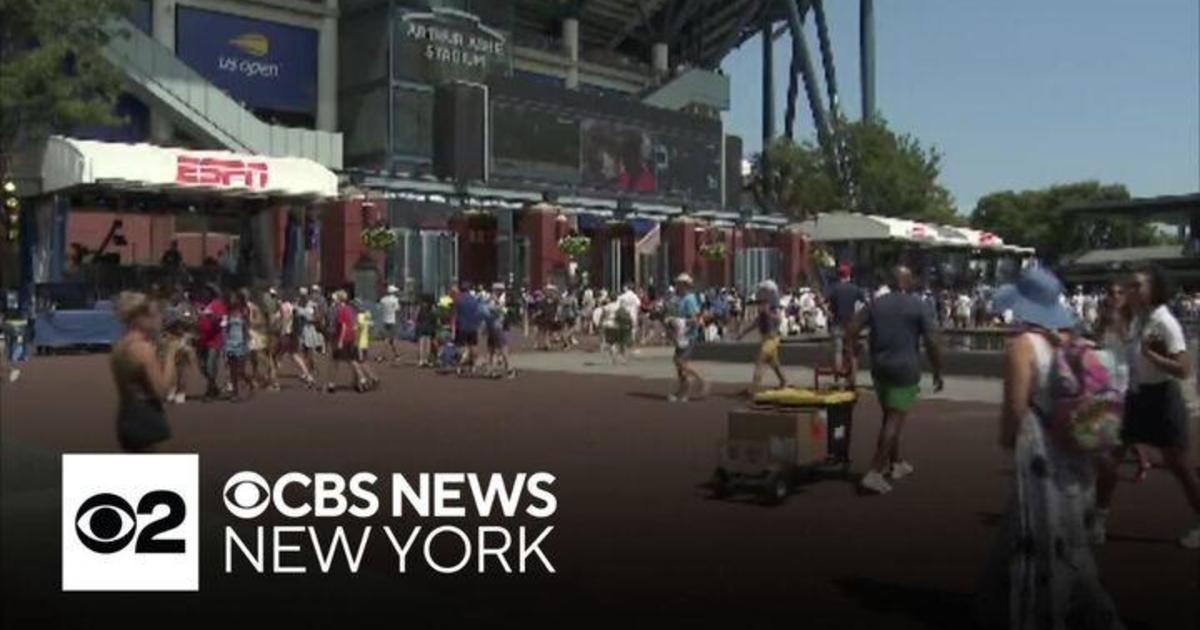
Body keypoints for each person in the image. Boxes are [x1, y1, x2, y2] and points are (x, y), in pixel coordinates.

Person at [976, 267, 1124, 630]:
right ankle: (995, 601)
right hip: (1075, 443)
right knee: (1063, 527)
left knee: (1044, 530)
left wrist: (1007, 439)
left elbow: (1016, 406)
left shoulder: (1024, 345)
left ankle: (1075, 612)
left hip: (1041, 444)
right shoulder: (1069, 338)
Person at [1094, 267, 1200, 549]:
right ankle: (1097, 519)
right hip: (1136, 395)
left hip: (1163, 398)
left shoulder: (1166, 323)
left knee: (1179, 465)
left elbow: (1184, 369)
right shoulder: (1141, 319)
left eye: (1137, 286)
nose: (1130, 290)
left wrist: (1152, 355)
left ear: (1154, 290)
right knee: (1111, 455)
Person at [846, 266, 944, 495]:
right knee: (894, 419)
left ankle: (896, 462)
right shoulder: (918, 306)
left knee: (890, 414)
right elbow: (932, 341)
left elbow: (851, 328)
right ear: (908, 282)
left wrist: (852, 350)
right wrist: (938, 370)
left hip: (879, 368)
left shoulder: (875, 304)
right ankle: (875, 471)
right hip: (905, 368)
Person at [111, 292, 182, 452]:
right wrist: (172, 355)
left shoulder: (119, 346)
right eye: (154, 315)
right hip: (146, 417)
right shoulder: (143, 349)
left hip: (126, 415)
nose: (158, 320)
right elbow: (162, 391)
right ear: (140, 318)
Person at [738, 280, 787, 394]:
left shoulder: (774, 307)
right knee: (774, 364)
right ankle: (784, 381)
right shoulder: (762, 308)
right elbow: (755, 323)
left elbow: (779, 320)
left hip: (772, 339)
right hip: (765, 338)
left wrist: (768, 312)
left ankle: (755, 386)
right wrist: (742, 333)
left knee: (760, 360)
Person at [668, 274, 708, 402]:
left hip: (688, 335)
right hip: (682, 335)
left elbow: (695, 318)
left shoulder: (689, 299)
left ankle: (701, 380)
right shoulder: (680, 299)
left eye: (679, 284)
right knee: (679, 363)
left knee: (680, 362)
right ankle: (683, 392)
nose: (677, 286)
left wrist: (681, 322)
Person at [825, 263, 864, 374]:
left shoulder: (834, 288)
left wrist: (827, 313)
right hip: (851, 323)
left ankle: (838, 376)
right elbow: (866, 303)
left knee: (837, 351)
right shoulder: (855, 288)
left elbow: (822, 301)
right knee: (851, 351)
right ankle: (853, 377)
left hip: (836, 322)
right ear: (849, 275)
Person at [195, 286, 226, 400]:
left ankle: (209, 391)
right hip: (201, 340)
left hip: (214, 340)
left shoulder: (217, 304)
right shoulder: (198, 305)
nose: (204, 294)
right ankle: (213, 387)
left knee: (210, 364)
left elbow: (220, 320)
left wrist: (210, 316)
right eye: (203, 291)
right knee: (201, 366)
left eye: (207, 292)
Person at [223, 291, 253, 400]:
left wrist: (246, 343)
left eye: (235, 299)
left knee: (241, 371)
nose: (233, 300)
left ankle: (249, 382)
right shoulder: (229, 312)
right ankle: (235, 393)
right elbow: (226, 328)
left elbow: (246, 328)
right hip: (230, 342)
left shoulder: (244, 311)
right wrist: (225, 342)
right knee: (232, 370)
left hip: (241, 342)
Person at [325, 290, 356, 392]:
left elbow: (341, 326)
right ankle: (358, 380)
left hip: (341, 337)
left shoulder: (339, 309)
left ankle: (331, 383)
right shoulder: (349, 308)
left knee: (336, 360)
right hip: (349, 336)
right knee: (349, 359)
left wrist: (340, 340)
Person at [379, 285, 402, 363]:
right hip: (392, 320)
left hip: (384, 320)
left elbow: (380, 308)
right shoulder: (395, 300)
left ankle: (396, 355)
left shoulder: (383, 300)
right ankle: (381, 355)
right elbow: (398, 309)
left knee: (389, 339)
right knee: (390, 339)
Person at [414, 294, 438, 368]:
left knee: (424, 344)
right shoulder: (432, 309)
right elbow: (434, 320)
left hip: (424, 328)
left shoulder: (421, 309)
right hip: (428, 328)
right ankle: (424, 360)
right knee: (425, 344)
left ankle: (423, 360)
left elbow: (417, 319)